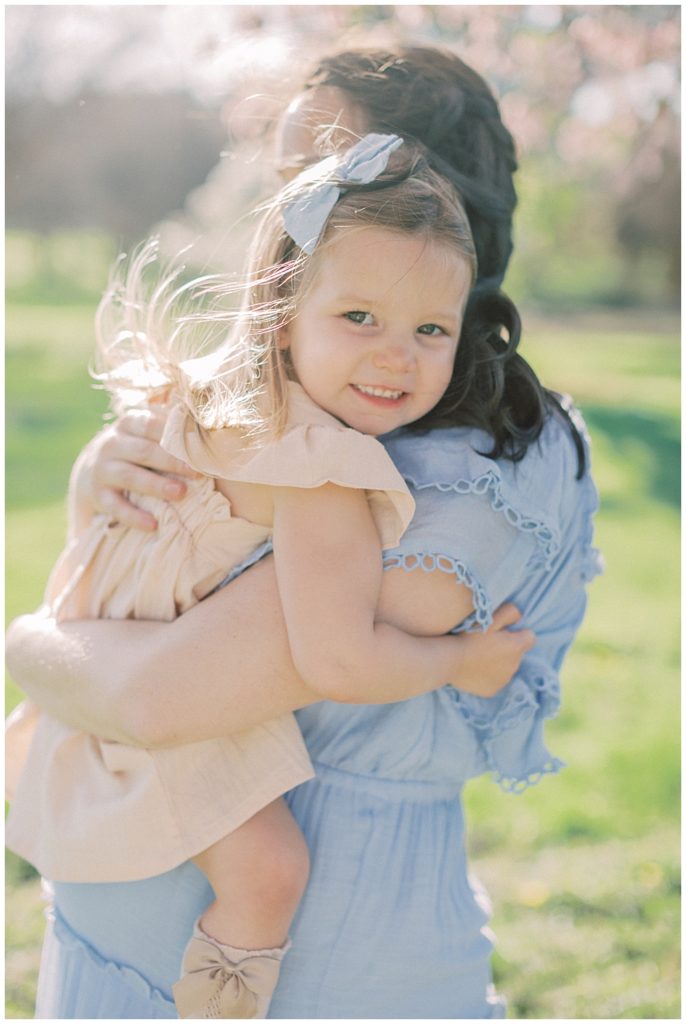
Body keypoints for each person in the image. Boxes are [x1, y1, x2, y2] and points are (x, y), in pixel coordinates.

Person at [6, 46, 602, 1019]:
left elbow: (156, 697)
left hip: (330, 980)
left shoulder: (473, 457)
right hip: (116, 959)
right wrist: (98, 477)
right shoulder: (290, 401)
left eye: (324, 172)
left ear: (435, 199)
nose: (290, 207)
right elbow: (121, 573)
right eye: (285, 180)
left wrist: (30, 643)